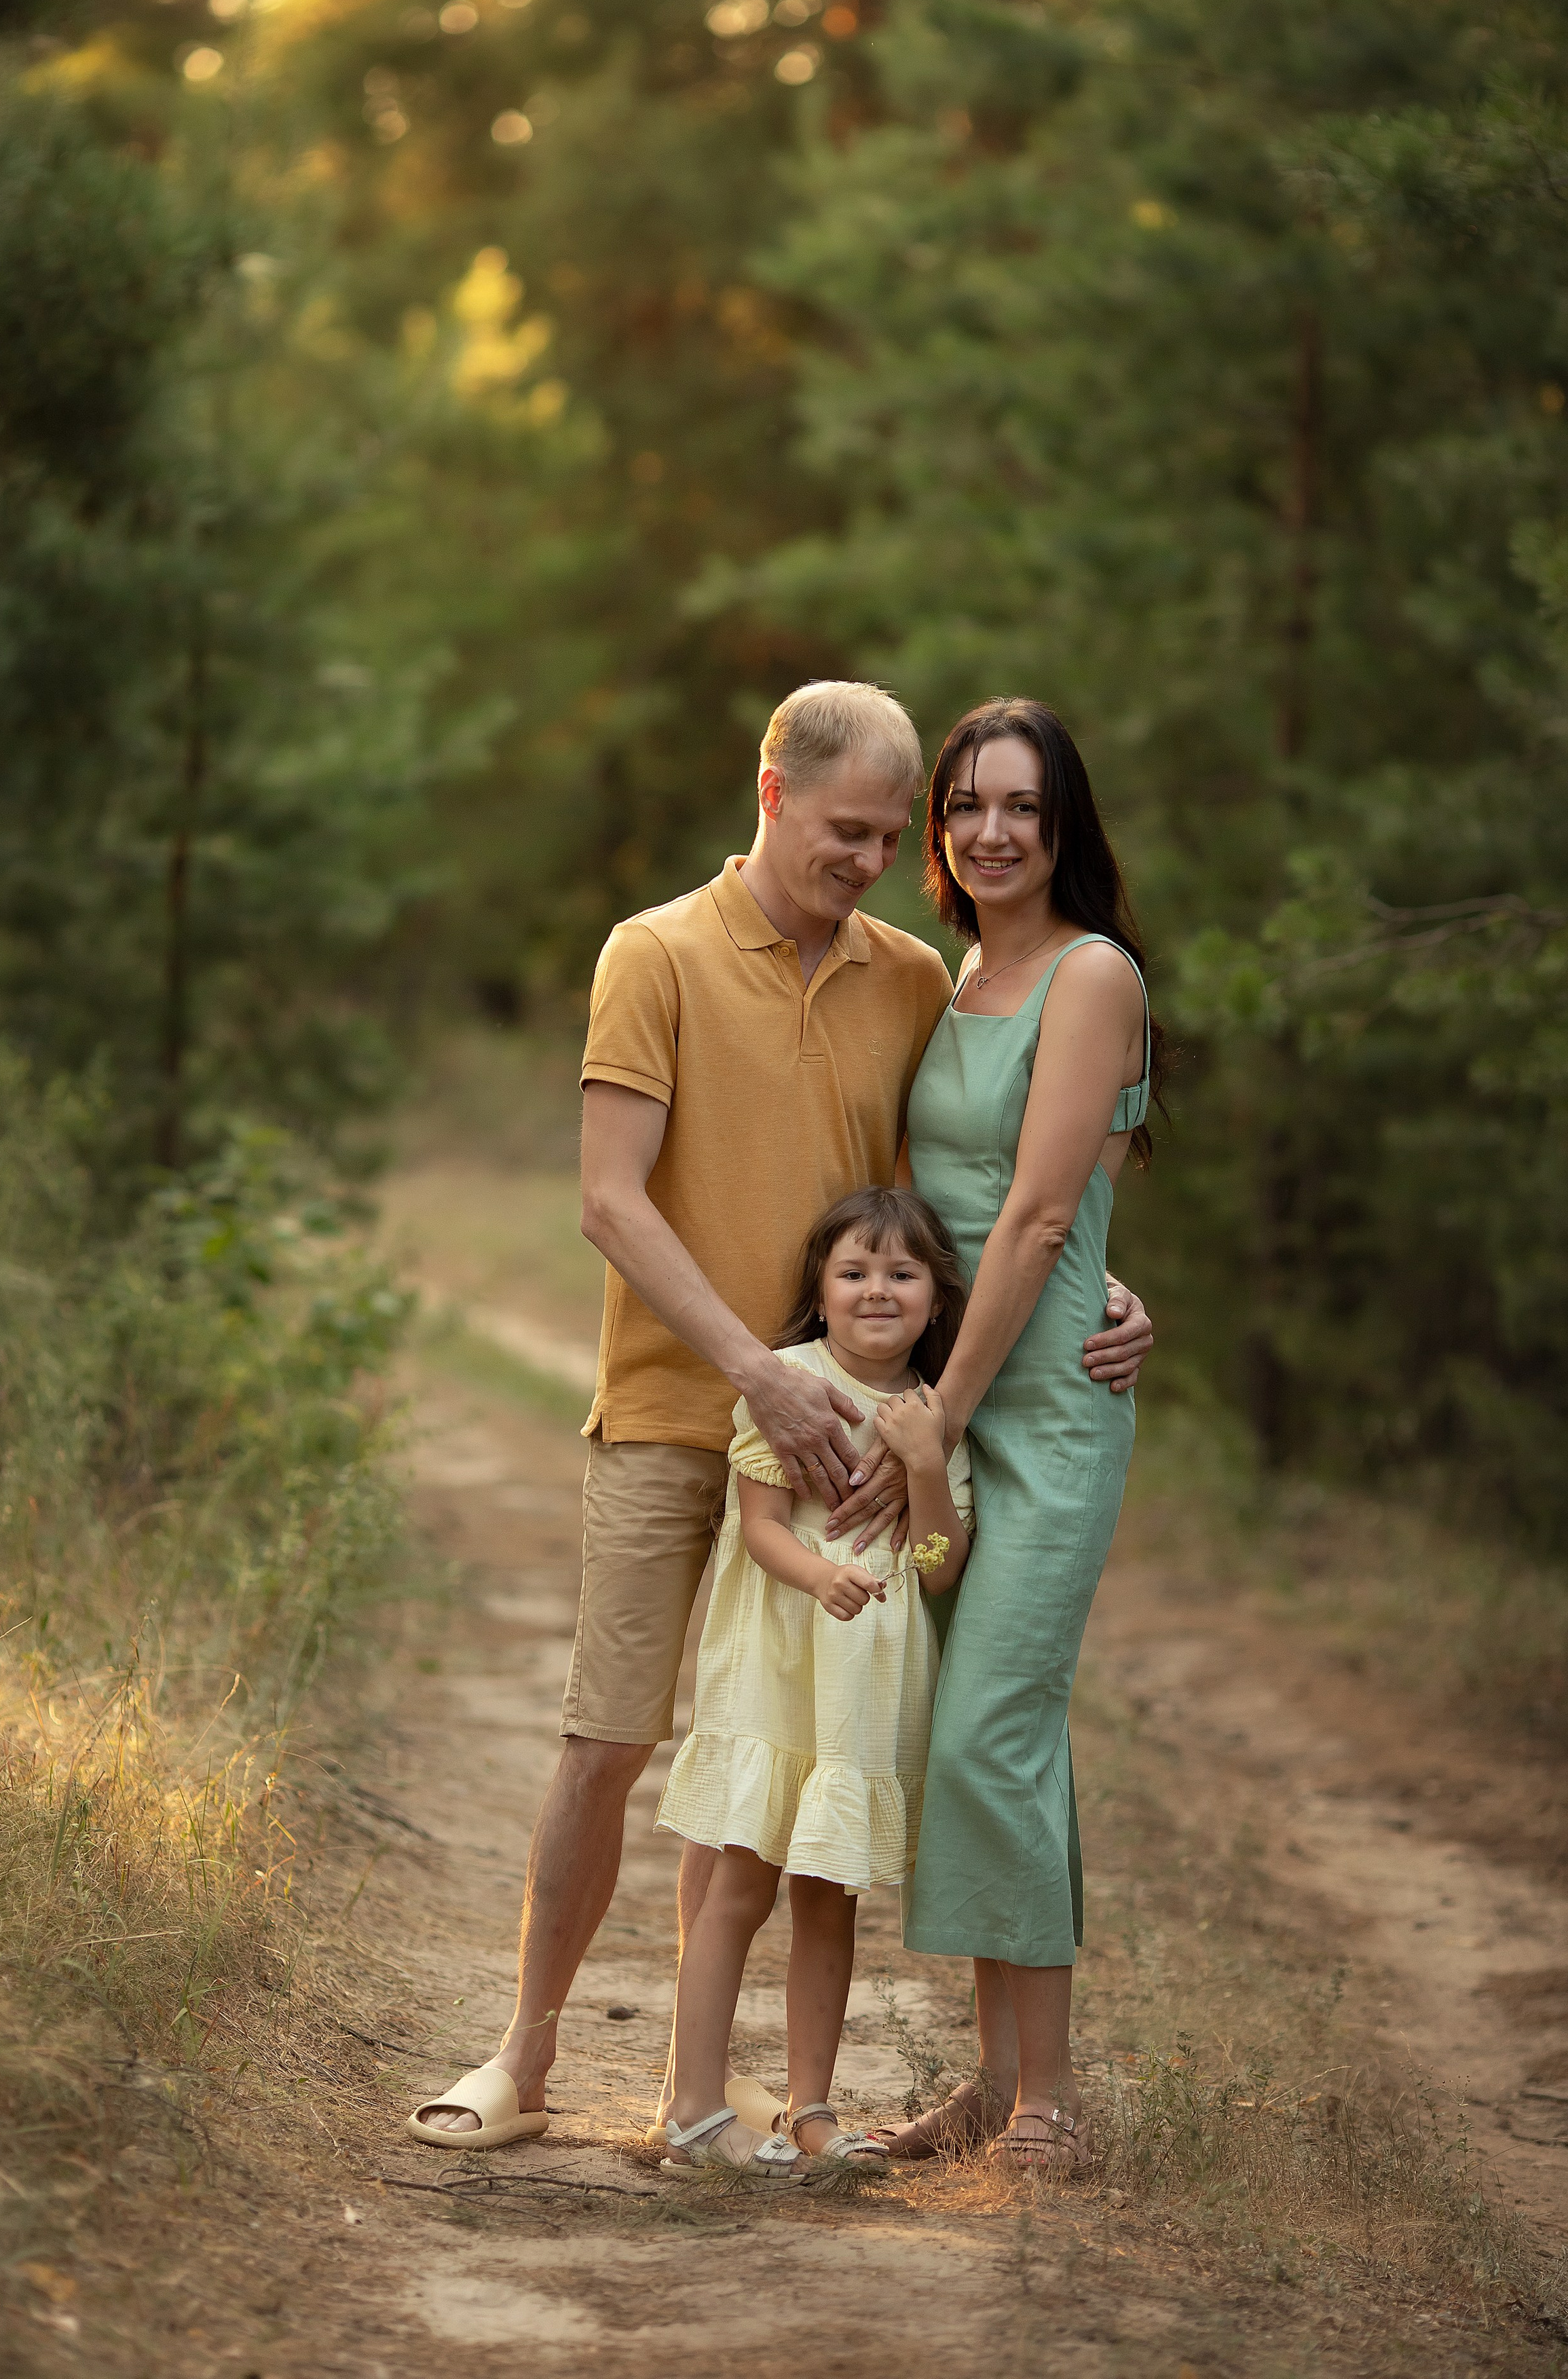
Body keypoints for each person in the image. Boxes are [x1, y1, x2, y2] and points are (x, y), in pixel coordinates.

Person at [407, 680, 1154, 2152]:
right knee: (609, 1741)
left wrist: (1103, 1285)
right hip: (685, 1404)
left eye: (891, 834)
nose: (874, 859)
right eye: (850, 829)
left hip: (855, 1437)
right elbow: (608, 1202)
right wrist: (761, 1371)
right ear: (768, 792)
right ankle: (525, 2055)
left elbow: (974, 1193)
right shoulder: (656, 954)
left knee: (775, 1757)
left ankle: (731, 2094)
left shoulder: (904, 979)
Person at [874, 696, 1167, 2177]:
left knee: (997, 1725)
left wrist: (951, 1408)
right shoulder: (956, 981)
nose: (991, 831)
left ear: (1063, 831)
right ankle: (989, 2085)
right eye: (965, 804)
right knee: (960, 1740)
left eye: (1021, 808)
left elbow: (1052, 1212)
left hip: (1034, 1408)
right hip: (950, 1393)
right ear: (939, 827)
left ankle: (1048, 2094)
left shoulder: (1089, 974)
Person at [654, 1187, 973, 2177]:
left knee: (830, 1899)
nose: (878, 1289)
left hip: (864, 1691)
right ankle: (696, 2107)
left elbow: (939, 1565)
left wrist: (926, 1463)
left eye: (902, 1273)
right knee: (739, 1886)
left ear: (934, 1296)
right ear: (821, 1290)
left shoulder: (935, 1410)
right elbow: (756, 1529)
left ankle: (812, 2111)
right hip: (780, 1669)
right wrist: (822, 1572)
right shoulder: (788, 1381)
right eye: (855, 1271)